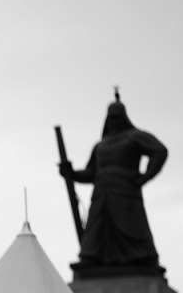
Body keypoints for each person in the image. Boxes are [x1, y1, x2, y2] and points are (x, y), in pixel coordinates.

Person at [60, 92, 168, 271]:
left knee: (132, 225)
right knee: (96, 227)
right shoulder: (100, 145)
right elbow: (91, 173)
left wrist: (146, 176)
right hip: (101, 193)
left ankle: (142, 257)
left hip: (125, 191)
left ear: (124, 118)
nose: (113, 121)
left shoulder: (134, 136)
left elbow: (160, 151)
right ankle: (91, 257)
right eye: (110, 118)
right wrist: (71, 174)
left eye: (116, 117)